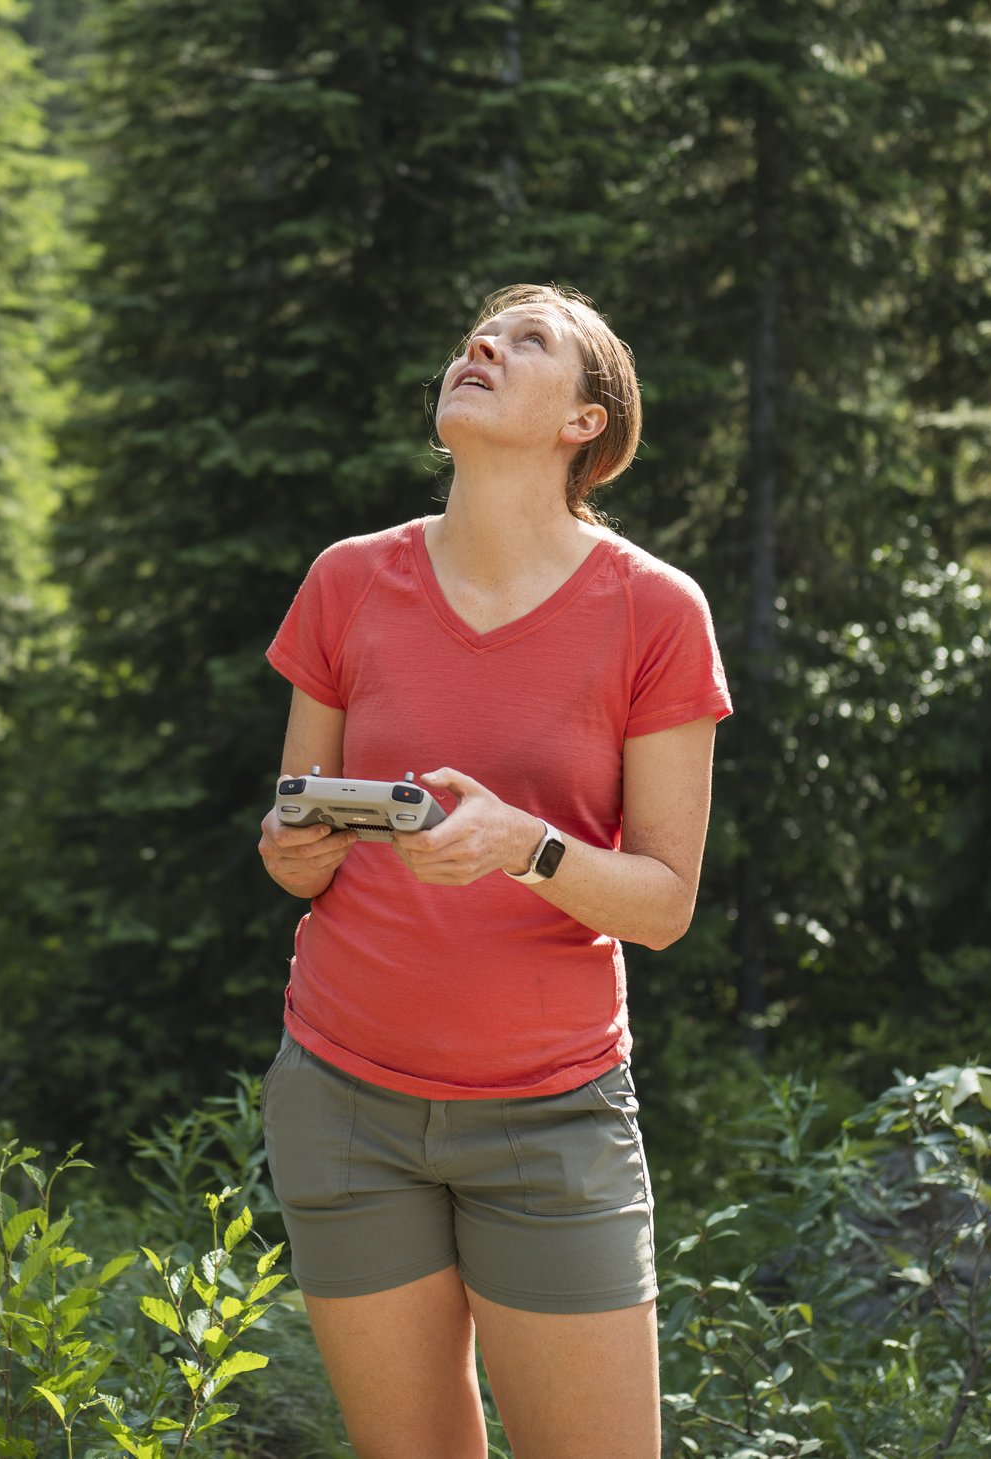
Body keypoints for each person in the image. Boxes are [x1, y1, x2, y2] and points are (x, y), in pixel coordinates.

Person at [253, 282, 731, 1459]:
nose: (481, 345)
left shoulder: (656, 611)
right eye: (477, 333)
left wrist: (526, 843)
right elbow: (292, 843)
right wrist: (291, 847)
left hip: (551, 1118)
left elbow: (664, 903)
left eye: (529, 342)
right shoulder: (347, 580)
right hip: (342, 1103)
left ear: (586, 424)